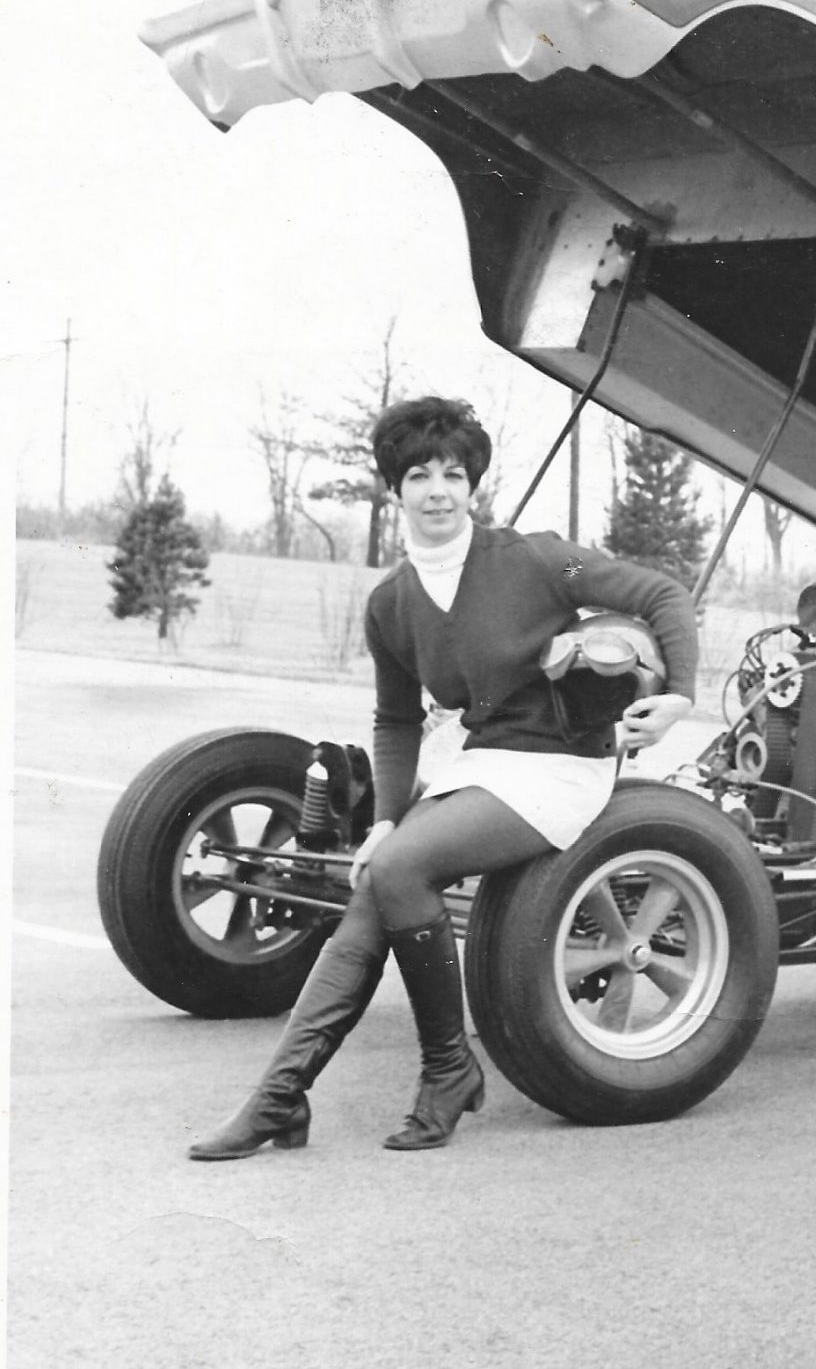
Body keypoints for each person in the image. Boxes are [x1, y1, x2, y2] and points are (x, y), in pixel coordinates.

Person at [188, 397, 698, 1158]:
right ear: (394, 488)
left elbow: (662, 594)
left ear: (473, 485)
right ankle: (281, 1098)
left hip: (562, 765)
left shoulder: (534, 556)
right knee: (379, 879)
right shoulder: (389, 603)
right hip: (480, 763)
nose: (437, 490)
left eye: (452, 474)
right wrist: (389, 814)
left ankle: (447, 1068)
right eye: (418, 474)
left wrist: (677, 696)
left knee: (395, 872)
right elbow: (395, 721)